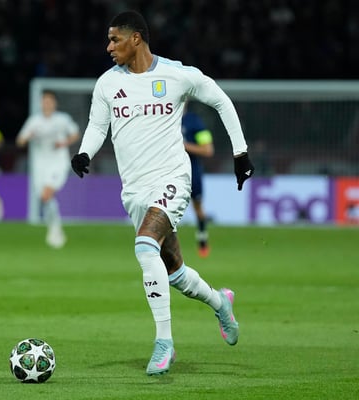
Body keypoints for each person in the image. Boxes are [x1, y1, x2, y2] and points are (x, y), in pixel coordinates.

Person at [70, 10, 255, 376]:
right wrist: (84, 152)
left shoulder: (176, 75)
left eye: (115, 39)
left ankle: (164, 342)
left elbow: (221, 100)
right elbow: (97, 126)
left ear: (136, 38)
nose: (109, 47)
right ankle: (220, 303)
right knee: (174, 272)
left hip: (172, 178)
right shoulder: (107, 83)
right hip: (134, 190)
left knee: (144, 247)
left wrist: (241, 153)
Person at [16, 90, 80, 248]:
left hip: (58, 162)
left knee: (47, 193)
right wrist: (27, 137)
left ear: (54, 103)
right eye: (44, 101)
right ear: (41, 103)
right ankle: (55, 227)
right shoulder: (34, 121)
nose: (47, 104)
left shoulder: (62, 119)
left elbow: (75, 134)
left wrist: (64, 143)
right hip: (39, 165)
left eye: (50, 101)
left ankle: (55, 228)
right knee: (44, 198)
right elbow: (20, 141)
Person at [182, 104, 214, 257]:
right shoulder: (162, 117)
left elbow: (208, 149)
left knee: (198, 207)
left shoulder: (194, 121)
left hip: (192, 171)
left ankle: (202, 239)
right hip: (168, 171)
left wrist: (183, 146)